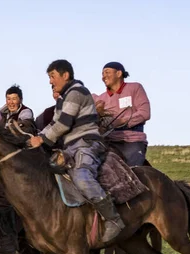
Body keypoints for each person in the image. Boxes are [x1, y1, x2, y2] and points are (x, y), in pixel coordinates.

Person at [28, 60, 124, 244]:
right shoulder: (63, 98)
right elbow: (53, 124)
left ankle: (113, 219)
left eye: (52, 76)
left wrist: (40, 139)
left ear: (65, 75)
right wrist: (34, 138)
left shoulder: (76, 92)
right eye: (49, 77)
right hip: (70, 147)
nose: (50, 81)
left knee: (81, 176)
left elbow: (63, 124)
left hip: (86, 144)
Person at [93, 62, 150, 166]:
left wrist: (122, 121)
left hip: (132, 139)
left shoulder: (135, 88)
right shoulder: (101, 98)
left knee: (132, 171)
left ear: (119, 73)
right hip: (109, 141)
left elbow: (145, 113)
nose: (103, 76)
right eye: (102, 74)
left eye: (107, 72)